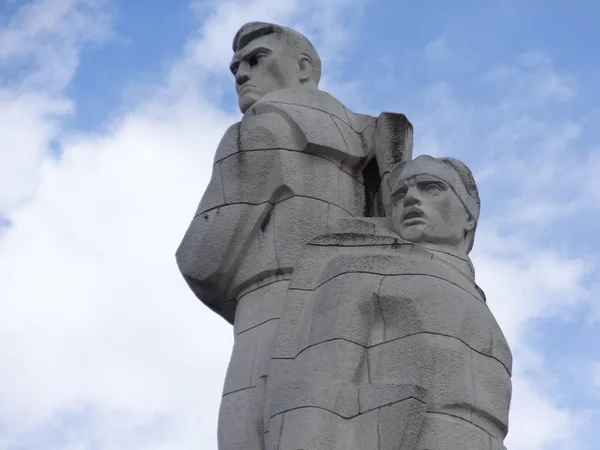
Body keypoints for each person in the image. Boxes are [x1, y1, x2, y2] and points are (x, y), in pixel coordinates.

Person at [176, 22, 412, 449]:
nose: (241, 75)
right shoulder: (371, 137)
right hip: (363, 303)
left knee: (254, 431)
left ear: (303, 67)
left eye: (255, 59)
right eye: (235, 69)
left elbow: (204, 260)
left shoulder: (258, 133)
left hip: (271, 302)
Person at [265, 155, 512, 449]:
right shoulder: (359, 271)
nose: (410, 200)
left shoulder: (479, 305)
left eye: (431, 187)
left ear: (470, 214)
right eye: (399, 194)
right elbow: (314, 390)